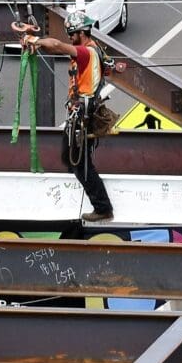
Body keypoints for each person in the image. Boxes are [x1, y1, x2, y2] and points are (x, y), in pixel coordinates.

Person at [19, 16, 129, 222]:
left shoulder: (85, 52)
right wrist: (38, 46)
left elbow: (58, 45)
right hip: (81, 115)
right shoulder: (93, 48)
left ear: (82, 32)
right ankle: (99, 201)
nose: (70, 38)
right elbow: (55, 49)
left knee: (80, 164)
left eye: (72, 34)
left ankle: (103, 207)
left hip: (83, 117)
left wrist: (34, 41)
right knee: (71, 159)